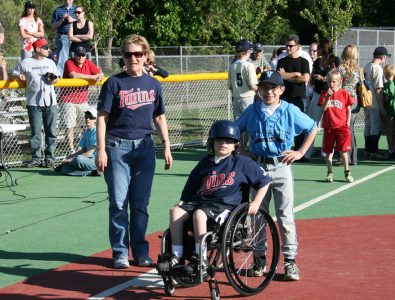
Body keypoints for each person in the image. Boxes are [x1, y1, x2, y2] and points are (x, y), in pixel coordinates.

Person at [96, 34, 173, 269]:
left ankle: (140, 251)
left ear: (146, 56)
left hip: (145, 147)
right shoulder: (114, 83)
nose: (133, 58)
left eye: (138, 54)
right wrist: (101, 149)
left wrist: (167, 145)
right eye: (128, 54)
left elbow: (159, 116)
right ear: (123, 57)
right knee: (119, 203)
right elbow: (102, 118)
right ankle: (120, 252)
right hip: (117, 146)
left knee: (140, 204)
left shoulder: (153, 84)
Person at [156, 120, 271, 275]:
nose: (223, 143)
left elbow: (264, 182)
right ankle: (176, 255)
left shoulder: (242, 163)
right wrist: (182, 203)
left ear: (235, 144)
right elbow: (190, 188)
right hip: (202, 203)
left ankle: (201, 258)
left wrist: (256, 202)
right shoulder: (205, 163)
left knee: (199, 214)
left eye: (229, 141)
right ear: (212, 142)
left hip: (226, 206)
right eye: (219, 140)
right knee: (175, 211)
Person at [236, 70, 318, 281]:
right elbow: (237, 130)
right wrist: (243, 150)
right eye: (264, 87)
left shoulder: (289, 110)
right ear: (259, 89)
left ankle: (290, 261)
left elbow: (312, 128)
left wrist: (300, 152)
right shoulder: (253, 110)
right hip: (258, 168)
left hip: (281, 166)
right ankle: (259, 258)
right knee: (257, 215)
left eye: (273, 87)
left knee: (285, 216)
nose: (269, 91)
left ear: (281, 89)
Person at [12, 38, 60, 168]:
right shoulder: (26, 62)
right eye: (45, 47)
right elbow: (14, 73)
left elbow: (57, 78)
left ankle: (50, 157)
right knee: (36, 132)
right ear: (37, 49)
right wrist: (18, 76)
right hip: (33, 102)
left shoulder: (50, 62)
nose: (48, 50)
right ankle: (36, 158)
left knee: (51, 131)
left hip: (50, 101)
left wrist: (53, 79)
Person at [61, 45, 104, 153]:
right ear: (74, 55)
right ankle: (71, 149)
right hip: (68, 99)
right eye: (78, 55)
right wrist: (92, 77)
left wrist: (100, 75)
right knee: (70, 126)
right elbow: (73, 75)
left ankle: (83, 148)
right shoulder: (69, 62)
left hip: (82, 100)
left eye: (82, 55)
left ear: (86, 56)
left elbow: (99, 72)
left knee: (87, 124)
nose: (80, 57)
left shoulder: (88, 63)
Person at [305, 38, 340, 160]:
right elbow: (311, 78)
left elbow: (337, 77)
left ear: (324, 48)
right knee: (312, 124)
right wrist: (313, 78)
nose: (316, 50)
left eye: (319, 47)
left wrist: (325, 79)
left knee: (329, 125)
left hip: (330, 95)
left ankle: (326, 153)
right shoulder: (317, 61)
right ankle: (307, 153)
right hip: (317, 94)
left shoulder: (335, 60)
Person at [318, 70, 355, 183]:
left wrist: (347, 122)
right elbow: (323, 109)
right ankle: (330, 173)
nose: (331, 84)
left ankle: (347, 172)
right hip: (329, 127)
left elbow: (348, 109)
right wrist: (328, 97)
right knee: (329, 152)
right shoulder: (325, 93)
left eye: (334, 81)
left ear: (339, 82)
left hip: (341, 127)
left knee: (343, 151)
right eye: (329, 81)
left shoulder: (344, 93)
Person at [276, 34, 311, 153]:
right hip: (285, 96)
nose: (288, 48)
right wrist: (295, 74)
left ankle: (299, 149)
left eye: (291, 46)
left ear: (298, 46)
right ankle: (284, 148)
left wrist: (287, 76)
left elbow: (305, 79)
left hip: (299, 97)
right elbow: (279, 77)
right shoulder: (281, 61)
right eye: (287, 46)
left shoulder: (304, 61)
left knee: (299, 123)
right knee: (283, 123)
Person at [228, 39, 258, 147]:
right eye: (249, 50)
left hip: (236, 98)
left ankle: (240, 149)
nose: (250, 52)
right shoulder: (249, 65)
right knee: (250, 125)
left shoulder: (232, 65)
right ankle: (248, 148)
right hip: (247, 98)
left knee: (239, 127)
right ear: (245, 52)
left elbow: (230, 86)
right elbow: (253, 85)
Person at [54, 107, 100, 176]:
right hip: (86, 160)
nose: (88, 119)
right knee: (64, 169)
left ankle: (96, 170)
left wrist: (71, 160)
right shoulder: (85, 131)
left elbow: (88, 153)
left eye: (91, 117)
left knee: (78, 159)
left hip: (96, 162)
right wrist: (69, 156)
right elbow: (83, 150)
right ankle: (91, 173)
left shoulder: (97, 131)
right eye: (86, 117)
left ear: (95, 119)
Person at [363, 46, 391, 160]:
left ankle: (367, 150)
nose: (386, 59)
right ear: (382, 56)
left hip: (366, 101)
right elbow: (379, 89)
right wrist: (382, 107)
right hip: (374, 102)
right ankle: (374, 151)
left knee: (368, 125)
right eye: (385, 56)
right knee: (375, 126)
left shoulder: (367, 66)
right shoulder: (377, 68)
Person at [338, 44, 361, 165]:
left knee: (344, 129)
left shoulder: (341, 68)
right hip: (355, 101)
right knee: (350, 129)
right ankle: (353, 157)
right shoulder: (357, 69)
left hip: (344, 100)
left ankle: (346, 156)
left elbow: (338, 85)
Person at [52, 0, 76, 76]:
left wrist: (73, 21)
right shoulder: (58, 10)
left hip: (75, 38)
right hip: (62, 37)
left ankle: (73, 84)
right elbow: (53, 27)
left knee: (75, 60)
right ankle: (59, 82)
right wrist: (62, 19)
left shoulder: (77, 10)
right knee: (61, 60)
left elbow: (82, 22)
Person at [383, 64, 395, 159]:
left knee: (389, 132)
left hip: (390, 111)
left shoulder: (387, 85)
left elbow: (386, 98)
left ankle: (391, 149)